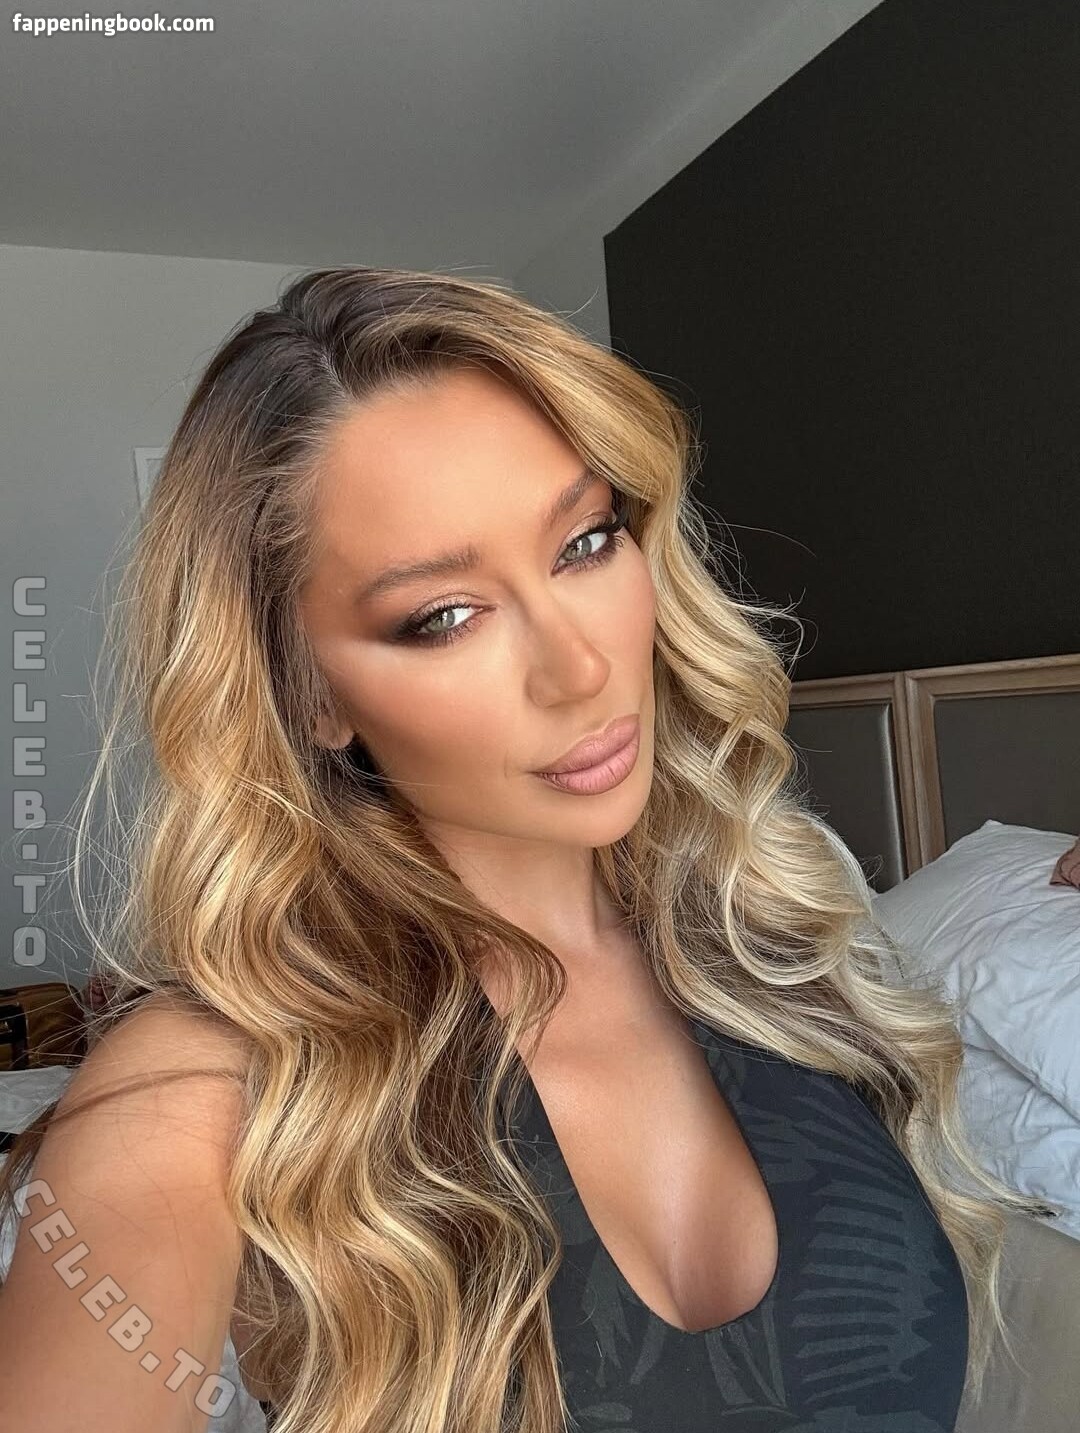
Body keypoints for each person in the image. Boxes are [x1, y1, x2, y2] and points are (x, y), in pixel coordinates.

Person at [0, 265, 1053, 1433]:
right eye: (444, 615)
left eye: (586, 542)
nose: (581, 667)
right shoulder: (195, 1086)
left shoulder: (773, 927)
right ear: (311, 697)